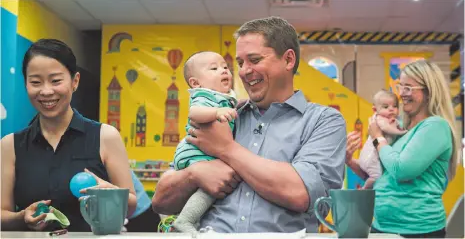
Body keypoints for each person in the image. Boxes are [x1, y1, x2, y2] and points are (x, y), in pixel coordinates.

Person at [152, 16, 347, 233]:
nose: (244, 71)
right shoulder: (224, 114)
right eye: (240, 63)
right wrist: (194, 174)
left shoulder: (324, 121)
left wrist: (226, 149)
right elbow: (161, 201)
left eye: (254, 60)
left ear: (288, 60)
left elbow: (301, 193)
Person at [1, 39, 137, 232]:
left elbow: (131, 204)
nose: (46, 91)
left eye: (56, 81)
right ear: (26, 84)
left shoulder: (105, 136)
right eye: (35, 82)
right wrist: (22, 217)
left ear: (75, 81)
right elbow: (1, 214)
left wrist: (110, 194)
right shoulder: (10, 145)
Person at [346, 60, 461, 238]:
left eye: (408, 88)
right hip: (383, 226)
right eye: (400, 86)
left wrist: (378, 137)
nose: (401, 94)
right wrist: (349, 160)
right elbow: (380, 176)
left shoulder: (435, 126)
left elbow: (401, 170)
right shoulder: (403, 130)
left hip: (416, 230)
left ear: (428, 90)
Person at [171, 51, 237, 233]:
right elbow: (194, 112)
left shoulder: (226, 97)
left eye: (225, 67)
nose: (224, 71)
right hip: (196, 152)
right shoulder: (205, 95)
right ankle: (185, 220)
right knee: (210, 187)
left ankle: (179, 217)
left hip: (199, 151)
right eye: (214, 69)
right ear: (195, 82)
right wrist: (216, 113)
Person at [352, 89, 406, 189]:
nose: (391, 109)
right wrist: (402, 132)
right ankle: (364, 189)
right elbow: (387, 129)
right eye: (386, 107)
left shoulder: (392, 119)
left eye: (395, 106)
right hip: (371, 158)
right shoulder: (379, 118)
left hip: (372, 157)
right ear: (375, 110)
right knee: (376, 177)